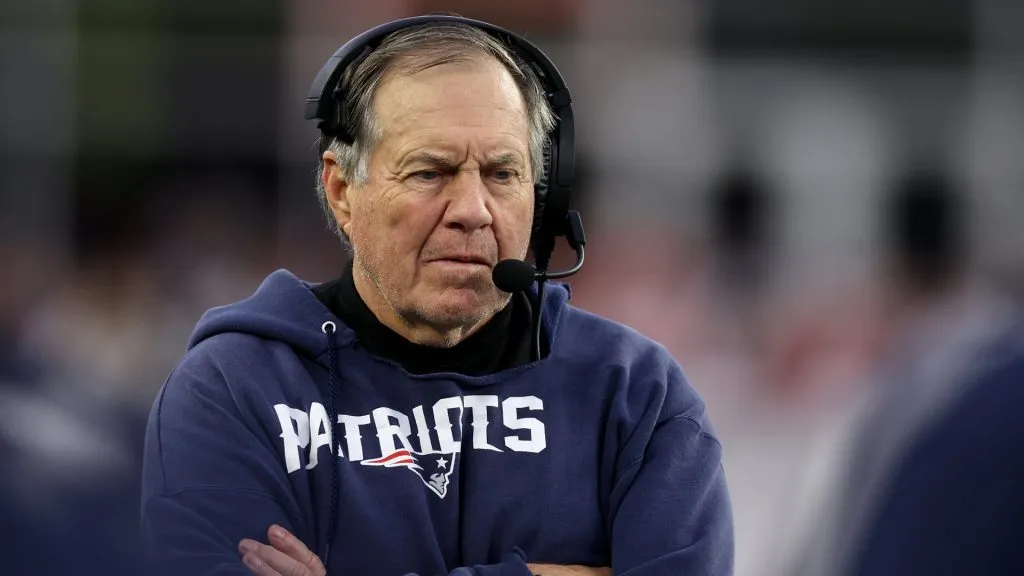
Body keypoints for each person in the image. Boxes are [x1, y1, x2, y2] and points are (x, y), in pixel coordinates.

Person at [140, 14, 733, 576]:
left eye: (503, 174)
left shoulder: (637, 396)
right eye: (430, 173)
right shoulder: (233, 388)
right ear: (343, 190)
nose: (473, 211)